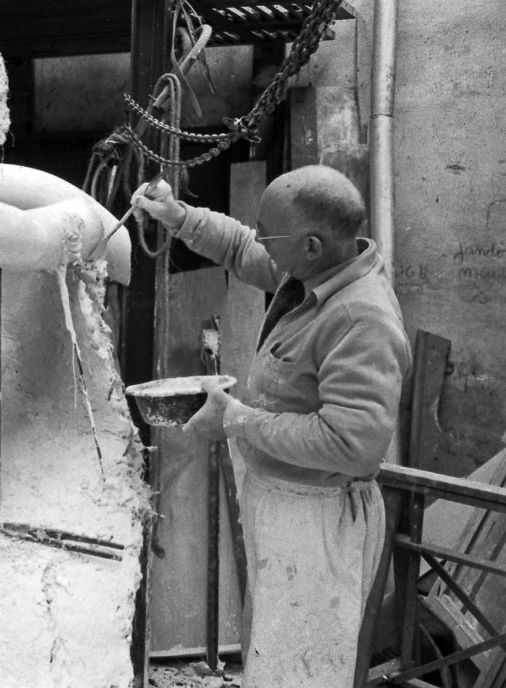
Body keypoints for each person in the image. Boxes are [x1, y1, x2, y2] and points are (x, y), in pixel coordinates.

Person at [133, 165, 412, 687]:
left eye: (271, 234)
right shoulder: (311, 271)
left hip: (318, 519)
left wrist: (236, 419)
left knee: (303, 668)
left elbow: (352, 446)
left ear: (311, 244)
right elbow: (241, 248)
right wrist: (177, 215)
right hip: (282, 501)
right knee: (275, 653)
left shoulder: (361, 320)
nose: (261, 240)